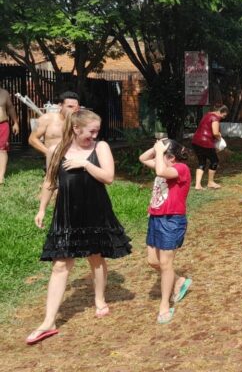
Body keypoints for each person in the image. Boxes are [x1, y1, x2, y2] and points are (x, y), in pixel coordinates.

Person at [26, 110, 132, 345]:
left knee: (95, 257)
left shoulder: (100, 147)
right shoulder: (56, 150)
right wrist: (42, 209)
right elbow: (49, 182)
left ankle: (99, 299)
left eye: (96, 131)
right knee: (60, 264)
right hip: (66, 214)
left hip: (94, 210)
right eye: (91, 131)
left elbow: (109, 177)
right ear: (76, 129)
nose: (94, 135)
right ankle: (49, 321)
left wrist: (85, 164)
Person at [138, 139, 193, 324]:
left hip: (172, 220)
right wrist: (157, 147)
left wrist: (160, 153)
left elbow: (161, 171)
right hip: (155, 218)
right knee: (152, 261)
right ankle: (179, 281)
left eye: (165, 155)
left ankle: (164, 305)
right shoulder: (163, 163)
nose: (160, 157)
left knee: (165, 263)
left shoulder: (181, 168)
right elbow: (142, 158)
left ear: (173, 157)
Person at [28, 92, 81, 168]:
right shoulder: (45, 118)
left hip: (74, 160)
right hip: (53, 161)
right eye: (70, 106)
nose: (73, 110)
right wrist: (49, 153)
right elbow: (32, 139)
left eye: (76, 107)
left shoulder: (81, 122)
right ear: (60, 106)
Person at [191, 105, 228, 190]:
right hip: (205, 142)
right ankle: (210, 182)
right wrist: (220, 137)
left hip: (196, 141)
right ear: (220, 112)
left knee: (201, 162)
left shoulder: (207, 115)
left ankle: (197, 185)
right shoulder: (215, 118)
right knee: (214, 161)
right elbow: (215, 132)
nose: (223, 117)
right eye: (224, 115)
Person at [0, 87, 20, 184]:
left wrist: (15, 122)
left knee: (2, 150)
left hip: (2, 124)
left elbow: (10, 107)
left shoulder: (4, 93)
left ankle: (1, 176)